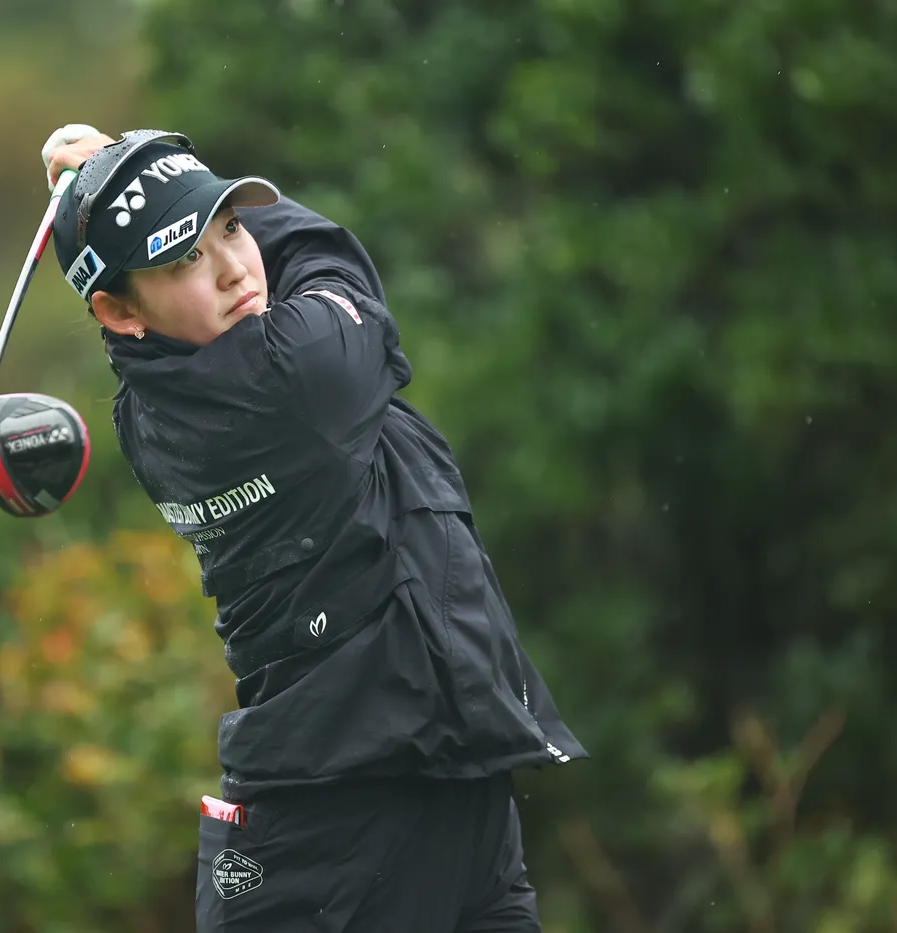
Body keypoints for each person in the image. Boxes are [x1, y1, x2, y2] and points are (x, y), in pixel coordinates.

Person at [40, 124, 588, 932]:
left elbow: (251, 273)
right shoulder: (300, 376)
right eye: (183, 257)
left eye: (232, 226)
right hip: (338, 833)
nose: (234, 267)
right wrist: (135, 164)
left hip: (441, 786)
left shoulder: (145, 408)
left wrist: (136, 180)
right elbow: (328, 255)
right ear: (118, 311)